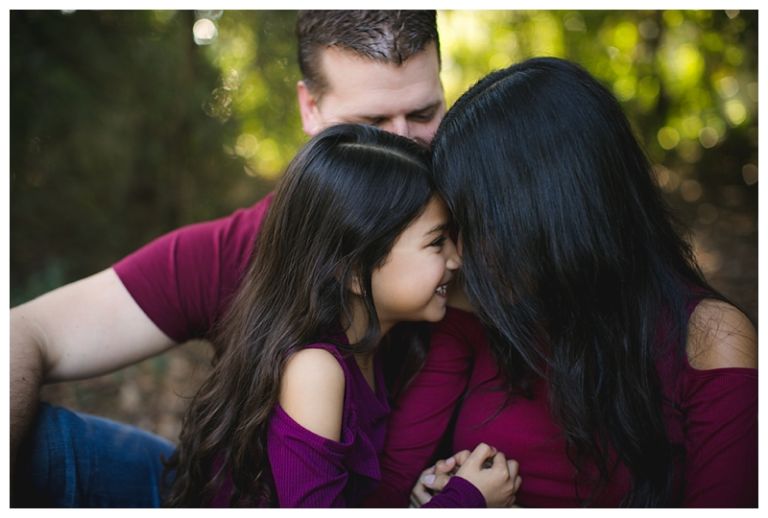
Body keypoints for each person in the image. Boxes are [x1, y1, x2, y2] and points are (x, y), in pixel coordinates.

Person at [11, 10, 446, 507]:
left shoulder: (476, 248)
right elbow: (25, 332)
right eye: (370, 124)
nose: (403, 145)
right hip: (226, 495)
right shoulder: (232, 250)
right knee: (43, 444)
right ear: (310, 107)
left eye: (423, 114)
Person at [369, 57, 758, 507]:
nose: (460, 254)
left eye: (475, 223)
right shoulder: (473, 305)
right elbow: (383, 492)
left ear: (550, 213)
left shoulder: (710, 340)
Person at [162, 123, 522, 508]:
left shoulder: (376, 345)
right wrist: (465, 501)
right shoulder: (314, 371)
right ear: (351, 270)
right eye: (436, 242)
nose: (456, 257)